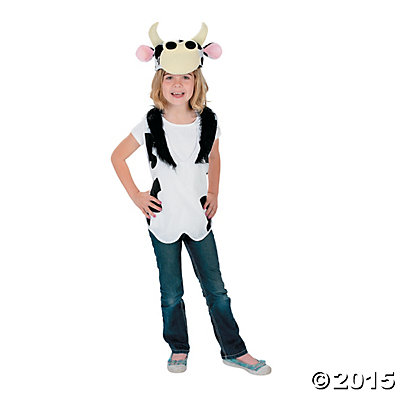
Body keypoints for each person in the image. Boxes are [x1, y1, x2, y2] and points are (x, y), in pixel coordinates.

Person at [111, 22, 271, 375]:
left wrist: (214, 192)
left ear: (197, 81)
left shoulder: (208, 121)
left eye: (185, 77)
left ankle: (234, 350)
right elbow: (117, 157)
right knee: (171, 293)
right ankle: (178, 348)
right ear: (159, 81)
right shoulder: (150, 123)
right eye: (170, 77)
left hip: (199, 219)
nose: (178, 84)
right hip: (163, 220)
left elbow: (214, 156)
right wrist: (137, 195)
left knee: (217, 291)